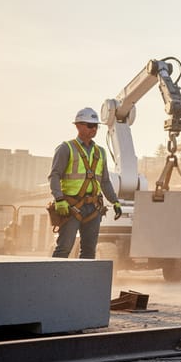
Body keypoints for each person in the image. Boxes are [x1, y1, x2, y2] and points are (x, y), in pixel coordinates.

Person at [48, 107, 122, 259]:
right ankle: (53, 281)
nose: (93, 129)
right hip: (71, 206)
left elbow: (105, 181)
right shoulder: (66, 148)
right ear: (78, 126)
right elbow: (54, 176)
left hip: (94, 208)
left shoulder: (100, 152)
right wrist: (59, 199)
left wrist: (115, 202)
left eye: (96, 126)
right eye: (90, 125)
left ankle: (83, 282)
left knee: (89, 251)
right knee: (64, 247)